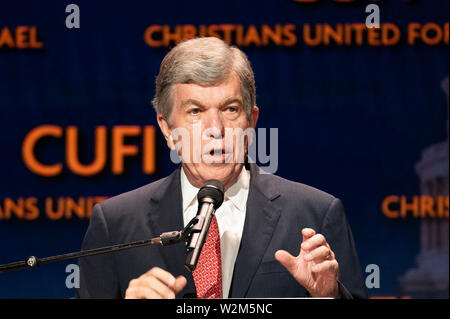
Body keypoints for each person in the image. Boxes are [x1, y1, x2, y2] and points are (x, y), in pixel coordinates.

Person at [76, 37, 367, 299]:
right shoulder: (115, 223)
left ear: (251, 121)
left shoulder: (315, 213)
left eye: (230, 109)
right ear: (166, 128)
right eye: (195, 111)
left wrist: (328, 296)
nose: (215, 129)